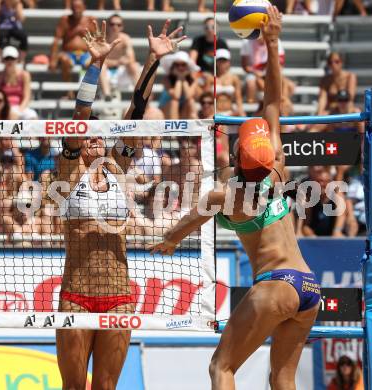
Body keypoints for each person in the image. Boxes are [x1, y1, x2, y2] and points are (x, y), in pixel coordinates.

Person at [151, 8, 320, 390]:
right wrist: (272, 41)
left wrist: (170, 240)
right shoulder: (277, 167)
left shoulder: (224, 195)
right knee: (282, 377)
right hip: (308, 285)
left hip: (274, 284)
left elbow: (186, 223)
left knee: (221, 368)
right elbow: (273, 100)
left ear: (235, 154)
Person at [55, 18, 185, 389]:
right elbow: (80, 117)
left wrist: (153, 59)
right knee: (74, 387)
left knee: (107, 387)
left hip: (118, 296)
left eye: (100, 135)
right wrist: (95, 65)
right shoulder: (67, 172)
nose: (96, 139)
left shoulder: (117, 166)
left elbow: (136, 110)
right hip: (76, 296)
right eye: (89, 136)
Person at [49, 0, 95, 91]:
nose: (76, 10)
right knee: (64, 60)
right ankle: (69, 91)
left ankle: (88, 92)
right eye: (74, 7)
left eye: (78, 7)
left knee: (95, 63)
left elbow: (97, 40)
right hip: (68, 54)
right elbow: (56, 40)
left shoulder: (90, 20)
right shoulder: (65, 20)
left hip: (85, 54)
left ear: (84, 8)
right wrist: (53, 59)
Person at [99, 14, 140, 100]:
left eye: (118, 25)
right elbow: (98, 60)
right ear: (107, 26)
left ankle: (139, 94)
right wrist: (117, 62)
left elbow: (131, 59)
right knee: (101, 66)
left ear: (122, 27)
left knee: (134, 66)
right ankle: (107, 95)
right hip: (105, 71)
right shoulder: (102, 39)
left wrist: (111, 62)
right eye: (112, 24)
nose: (115, 27)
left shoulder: (125, 38)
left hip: (120, 70)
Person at [0, 46, 37, 119]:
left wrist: (19, 111)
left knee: (32, 116)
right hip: (4, 108)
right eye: (7, 58)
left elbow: (27, 97)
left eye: (12, 58)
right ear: (3, 60)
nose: (9, 61)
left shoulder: (24, 75)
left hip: (20, 107)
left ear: (17, 60)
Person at [241, 35, 285, 103]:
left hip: (268, 72)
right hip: (254, 73)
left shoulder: (275, 41)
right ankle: (278, 99)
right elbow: (245, 66)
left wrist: (267, 73)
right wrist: (256, 73)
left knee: (284, 82)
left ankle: (279, 101)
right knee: (251, 83)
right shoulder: (246, 42)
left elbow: (280, 65)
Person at [159, 50, 200, 119]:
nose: (180, 67)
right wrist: (180, 78)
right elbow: (176, 96)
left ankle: (193, 127)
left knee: (190, 101)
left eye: (183, 65)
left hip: (184, 110)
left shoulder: (193, 80)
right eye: (177, 65)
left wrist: (182, 78)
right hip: (166, 109)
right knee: (174, 102)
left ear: (187, 66)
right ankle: (175, 128)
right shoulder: (166, 79)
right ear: (173, 66)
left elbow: (188, 96)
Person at [204, 49, 244, 116]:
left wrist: (241, 112)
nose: (222, 63)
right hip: (214, 113)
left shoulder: (234, 78)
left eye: (224, 60)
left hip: (230, 112)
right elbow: (206, 98)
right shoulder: (210, 78)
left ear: (228, 62)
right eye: (220, 60)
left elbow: (238, 98)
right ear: (216, 62)